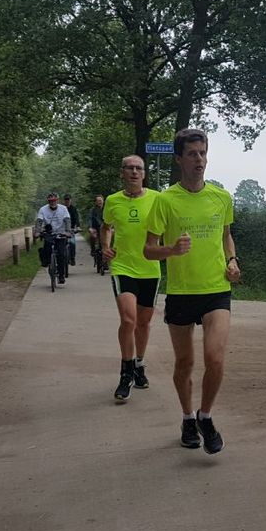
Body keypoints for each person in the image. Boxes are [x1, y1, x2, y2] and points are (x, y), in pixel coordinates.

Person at [144, 129, 241, 454]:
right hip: (182, 293)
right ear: (179, 159)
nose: (199, 159)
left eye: (203, 153)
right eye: (192, 154)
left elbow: (226, 235)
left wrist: (232, 260)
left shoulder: (221, 197)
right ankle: (187, 418)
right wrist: (170, 250)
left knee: (214, 358)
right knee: (184, 363)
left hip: (216, 289)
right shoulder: (164, 200)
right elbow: (149, 250)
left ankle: (206, 416)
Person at [101, 155, 161, 403]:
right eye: (130, 168)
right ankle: (125, 373)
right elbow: (106, 226)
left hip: (150, 268)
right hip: (123, 266)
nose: (135, 172)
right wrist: (106, 246)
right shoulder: (112, 201)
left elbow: (170, 225)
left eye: (139, 168)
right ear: (122, 172)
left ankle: (139, 364)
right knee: (128, 319)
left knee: (144, 323)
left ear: (144, 174)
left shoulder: (157, 199)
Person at [35, 192, 72, 283]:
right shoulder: (43, 209)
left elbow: (67, 220)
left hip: (61, 233)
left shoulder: (63, 209)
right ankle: (46, 261)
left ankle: (61, 275)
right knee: (46, 249)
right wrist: (37, 231)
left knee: (61, 255)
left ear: (57, 200)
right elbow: (39, 221)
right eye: (50, 201)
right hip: (49, 233)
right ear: (48, 201)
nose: (52, 202)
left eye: (54, 200)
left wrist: (67, 231)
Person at [63, 195, 81, 266]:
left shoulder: (73, 209)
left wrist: (78, 226)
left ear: (71, 200)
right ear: (64, 201)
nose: (67, 201)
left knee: (72, 243)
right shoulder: (61, 208)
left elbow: (76, 218)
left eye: (68, 200)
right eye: (66, 200)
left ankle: (72, 258)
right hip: (62, 229)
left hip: (71, 229)